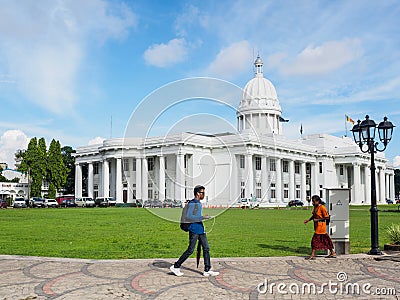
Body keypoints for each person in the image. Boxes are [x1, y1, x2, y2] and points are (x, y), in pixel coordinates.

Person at [170, 185, 219, 277]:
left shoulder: (198, 203)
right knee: (190, 250)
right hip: (194, 229)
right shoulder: (193, 203)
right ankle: (176, 266)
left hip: (200, 229)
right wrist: (202, 217)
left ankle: (207, 269)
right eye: (202, 193)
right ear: (197, 193)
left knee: (206, 248)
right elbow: (189, 217)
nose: (204, 195)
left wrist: (203, 219)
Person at [303, 195, 336, 260]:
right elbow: (314, 215)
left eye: (314, 201)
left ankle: (312, 254)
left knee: (314, 240)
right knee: (325, 239)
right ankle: (332, 252)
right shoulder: (315, 207)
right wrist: (308, 220)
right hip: (317, 226)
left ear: (318, 201)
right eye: (312, 201)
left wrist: (318, 220)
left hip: (321, 226)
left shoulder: (322, 207)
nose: (313, 203)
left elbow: (327, 217)